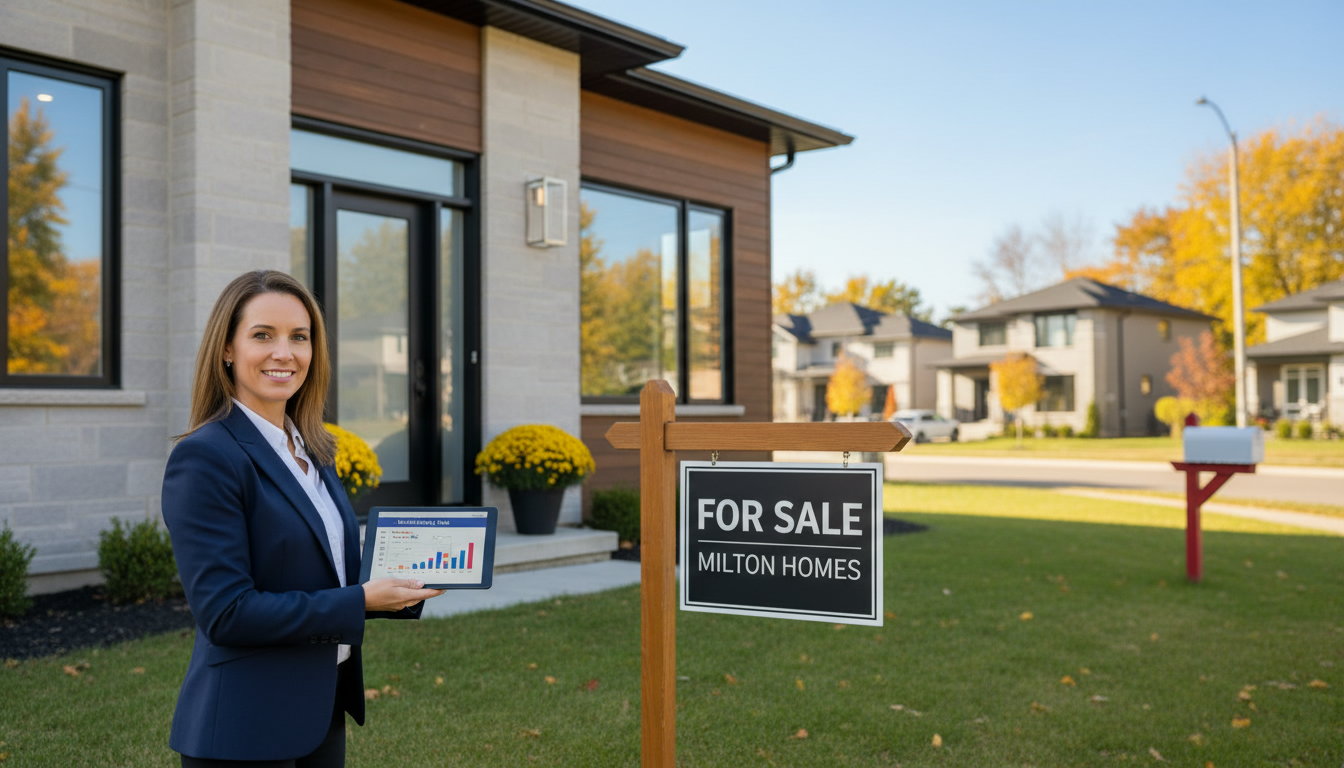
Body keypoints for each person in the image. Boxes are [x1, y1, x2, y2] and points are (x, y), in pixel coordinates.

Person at [162, 270, 444, 766]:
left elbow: (320, 572)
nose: (284, 353)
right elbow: (226, 613)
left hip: (319, 711)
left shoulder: (312, 448)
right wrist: (360, 600)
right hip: (246, 726)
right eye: (262, 335)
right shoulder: (207, 457)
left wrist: (400, 584)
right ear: (227, 349)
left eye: (299, 336)